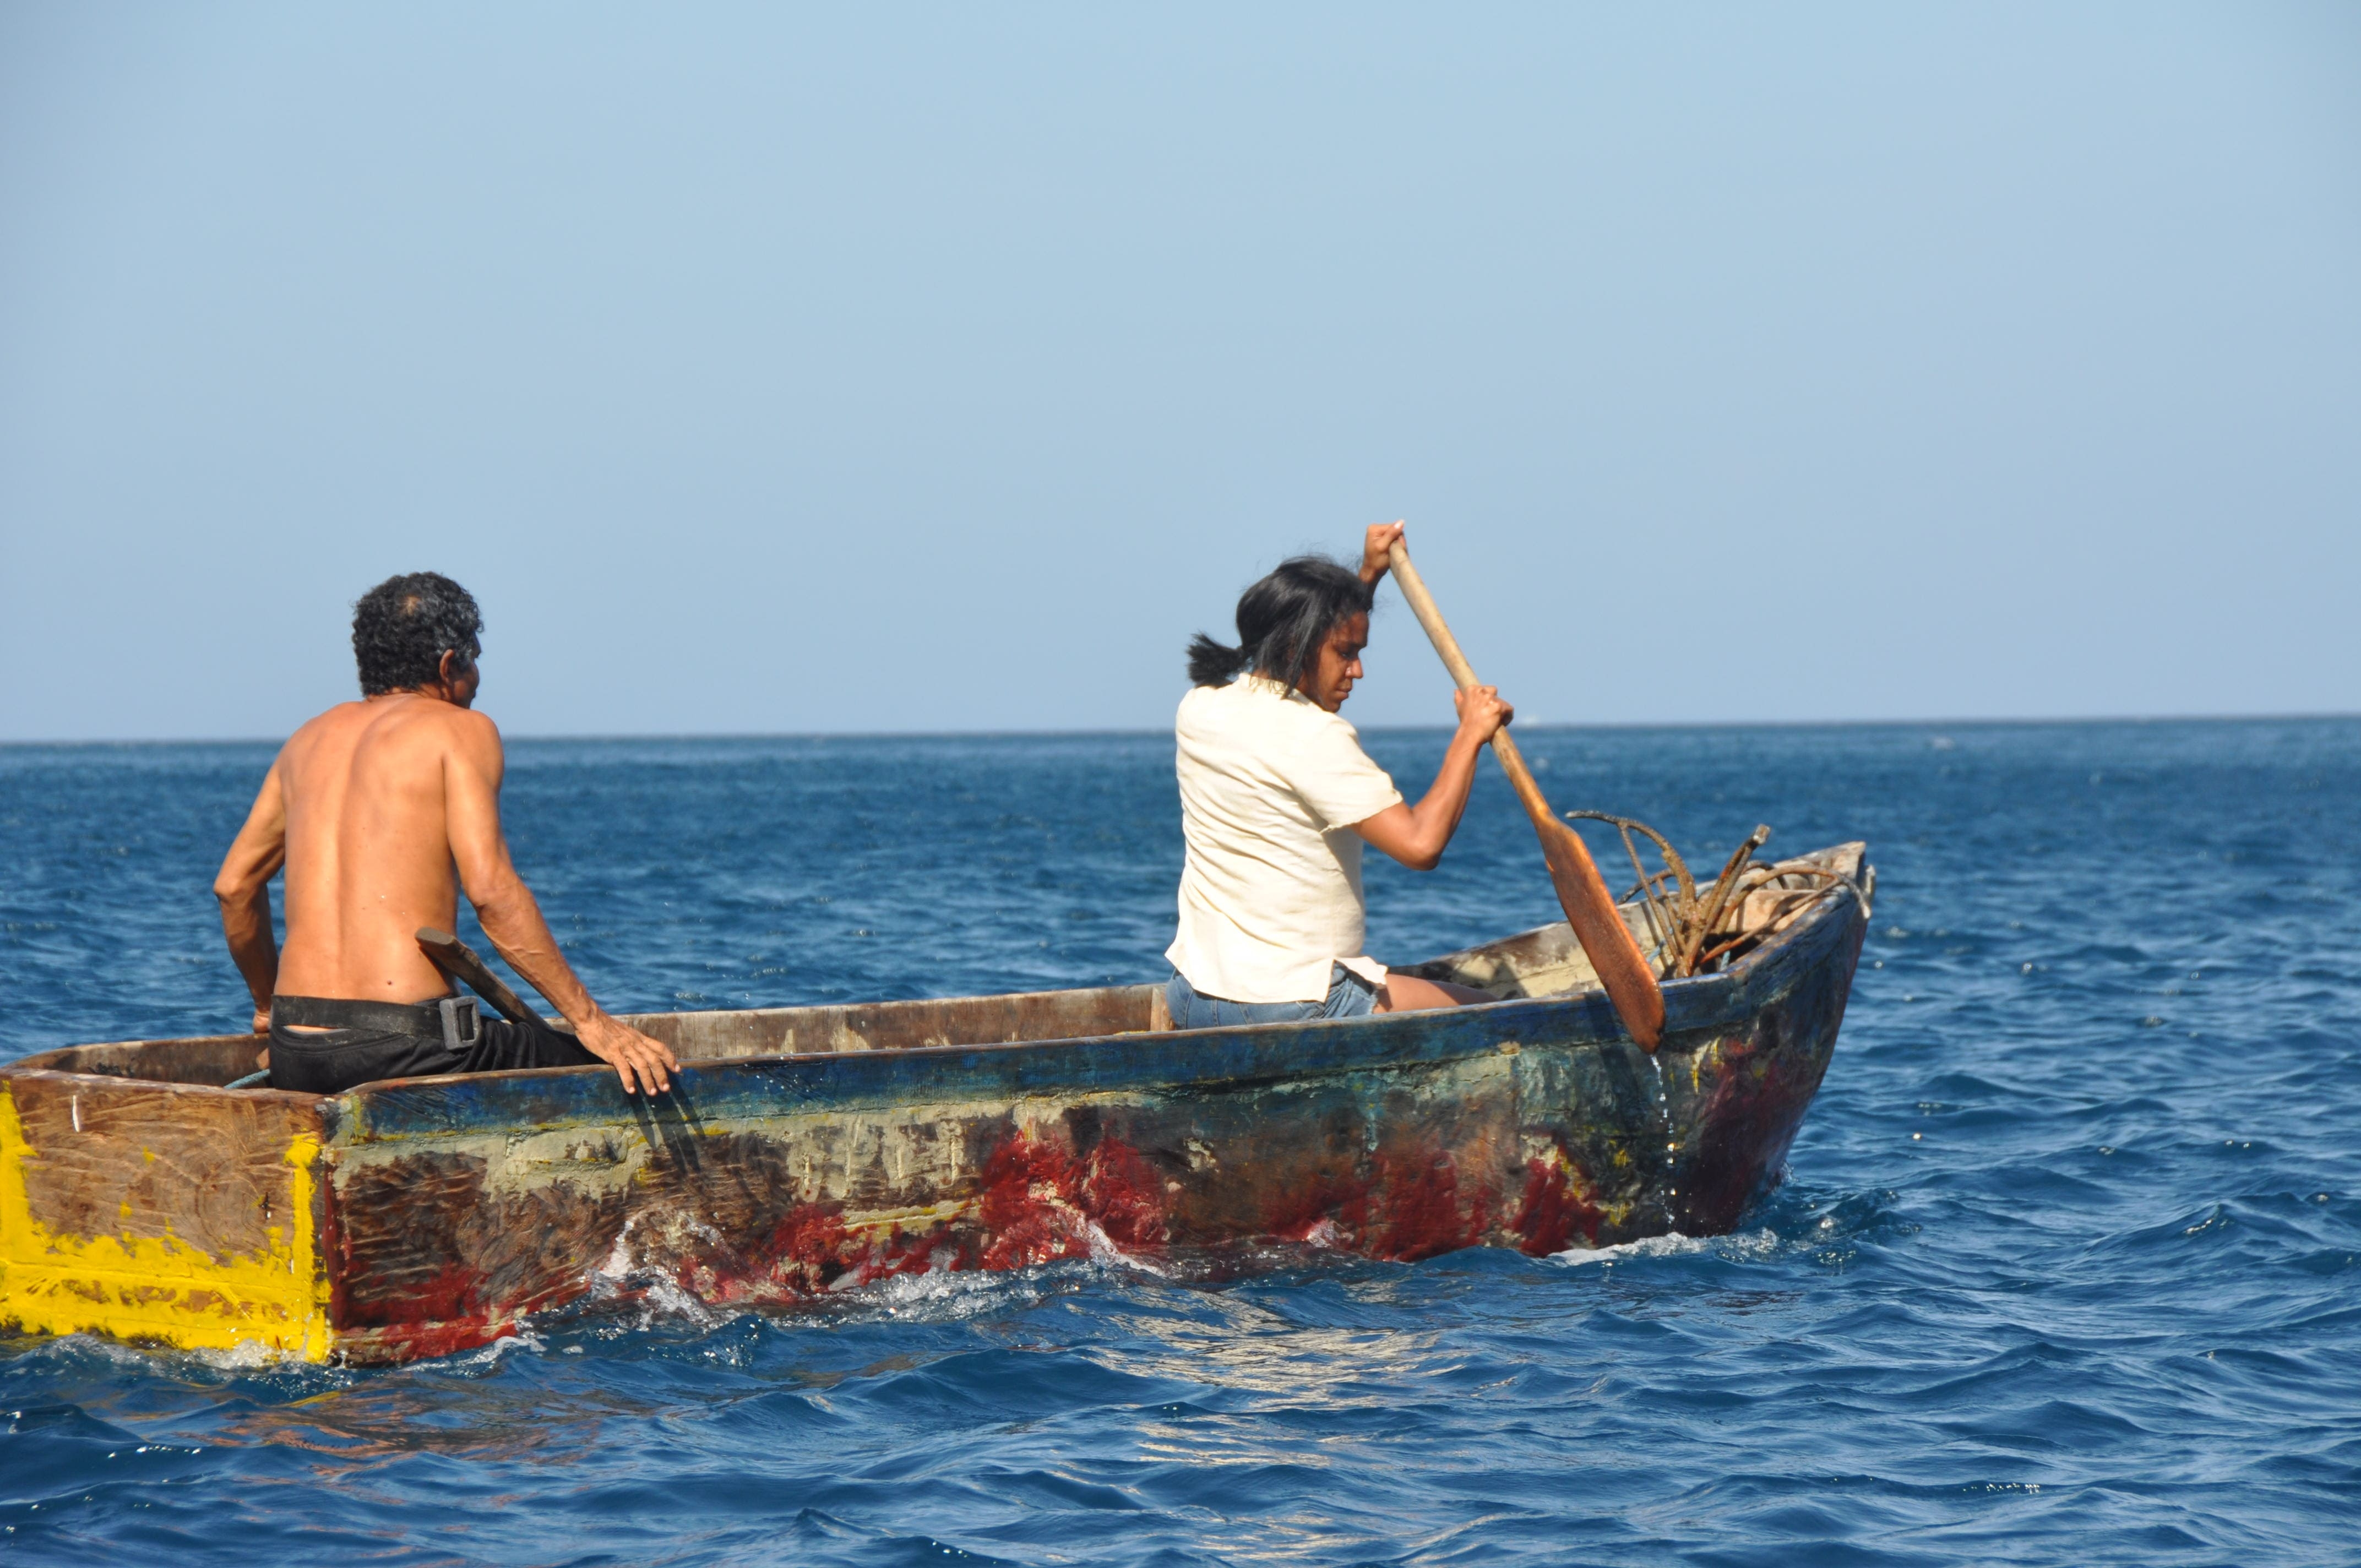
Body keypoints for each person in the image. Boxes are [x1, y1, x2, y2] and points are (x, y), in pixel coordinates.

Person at [213, 572, 679, 1096]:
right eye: (473, 660)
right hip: (407, 1049)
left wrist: (266, 1007)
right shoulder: (461, 731)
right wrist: (594, 1023)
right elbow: (493, 894)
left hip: (296, 1050)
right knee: (604, 1074)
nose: (478, 679)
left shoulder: (306, 741)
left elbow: (234, 888)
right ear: (447, 664)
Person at [1164, 521, 1509, 1028]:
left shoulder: (1200, 708)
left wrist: (1367, 575)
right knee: (1502, 1016)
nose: (1358, 671)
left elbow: (1307, 654)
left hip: (1195, 995)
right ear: (1293, 648)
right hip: (1293, 1003)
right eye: (1347, 654)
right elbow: (1420, 845)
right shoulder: (1316, 737)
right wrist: (1469, 735)